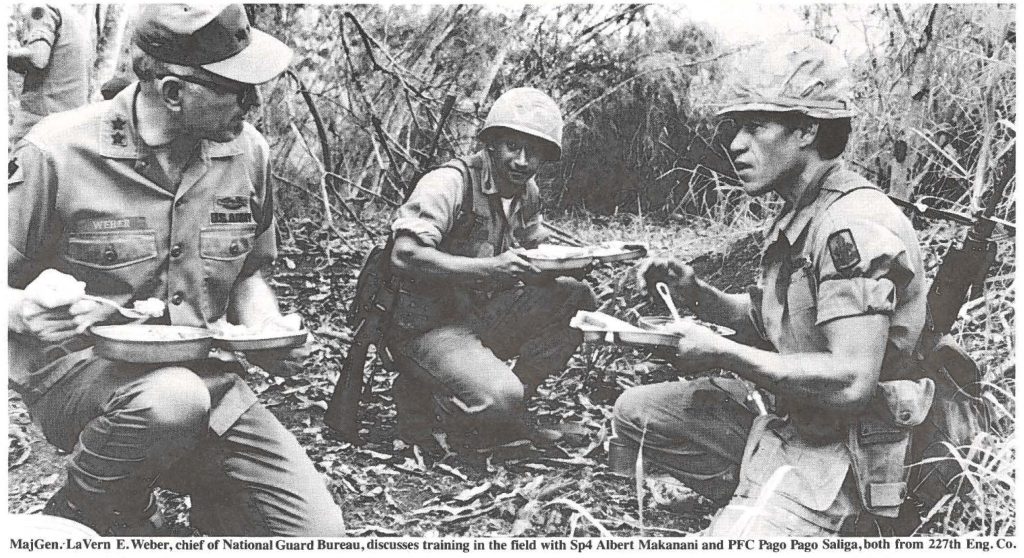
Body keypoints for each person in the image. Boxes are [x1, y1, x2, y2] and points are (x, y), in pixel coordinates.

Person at [8, 4, 345, 536]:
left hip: (210, 380)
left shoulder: (248, 153)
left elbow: (250, 272)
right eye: (237, 88)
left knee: (316, 538)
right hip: (81, 378)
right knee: (172, 400)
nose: (254, 104)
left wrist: (266, 329)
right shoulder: (56, 152)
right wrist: (23, 309)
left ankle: (209, 497)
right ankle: (85, 505)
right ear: (172, 92)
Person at [610, 37, 929, 536]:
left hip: (847, 452)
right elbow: (771, 323)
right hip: (795, 418)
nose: (736, 144)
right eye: (738, 127)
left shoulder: (852, 226)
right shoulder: (804, 210)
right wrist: (696, 292)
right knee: (637, 412)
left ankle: (796, 518)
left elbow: (850, 381)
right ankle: (761, 500)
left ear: (805, 130)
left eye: (755, 126)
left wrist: (724, 356)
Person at [386, 87, 597, 450]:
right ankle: (431, 395)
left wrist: (573, 260)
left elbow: (534, 248)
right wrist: (492, 268)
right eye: (512, 146)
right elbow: (404, 255)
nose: (522, 161)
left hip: (481, 313)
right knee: (499, 397)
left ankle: (511, 408)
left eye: (535, 152)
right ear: (491, 143)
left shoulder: (526, 192)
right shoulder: (450, 183)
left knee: (576, 298)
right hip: (426, 325)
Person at [7, 4, 93, 145]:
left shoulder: (44, 8)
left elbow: (38, 59)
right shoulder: (75, 18)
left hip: (39, 126)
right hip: (71, 126)